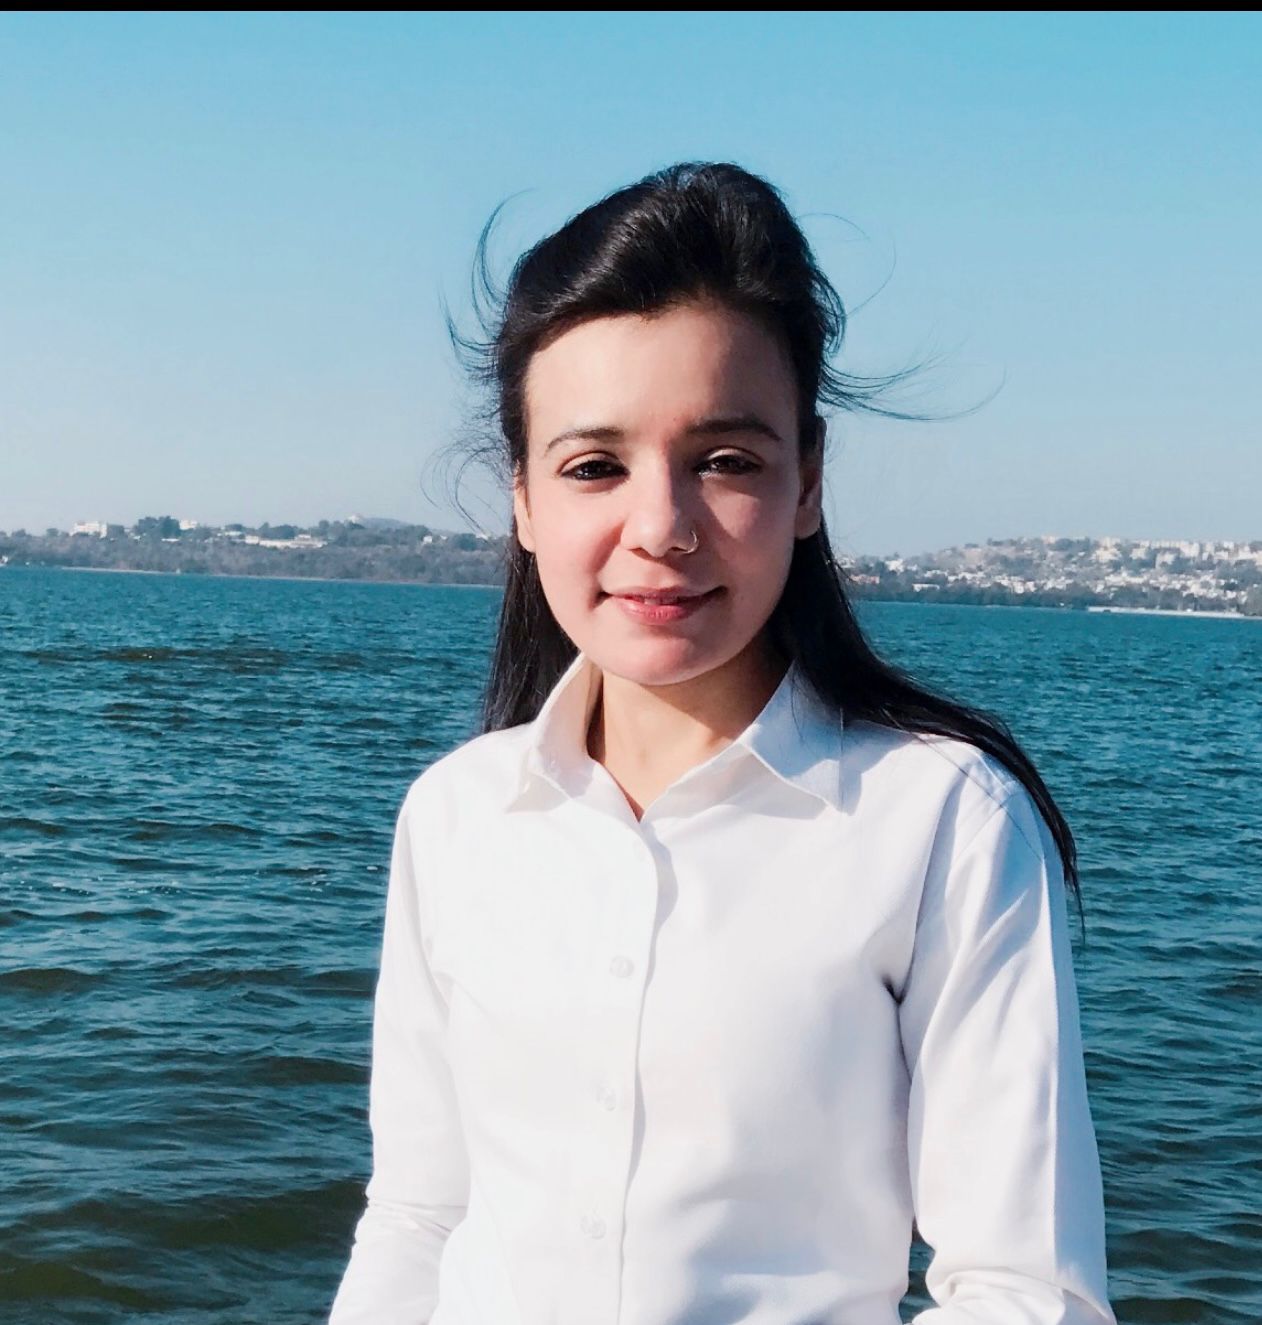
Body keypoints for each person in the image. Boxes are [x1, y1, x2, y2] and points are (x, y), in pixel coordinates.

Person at [329, 162, 1116, 1325]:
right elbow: (420, 1215)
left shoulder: (940, 815)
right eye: (593, 466)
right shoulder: (455, 814)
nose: (659, 526)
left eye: (726, 460)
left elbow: (1023, 1288)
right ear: (523, 498)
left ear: (807, 481)